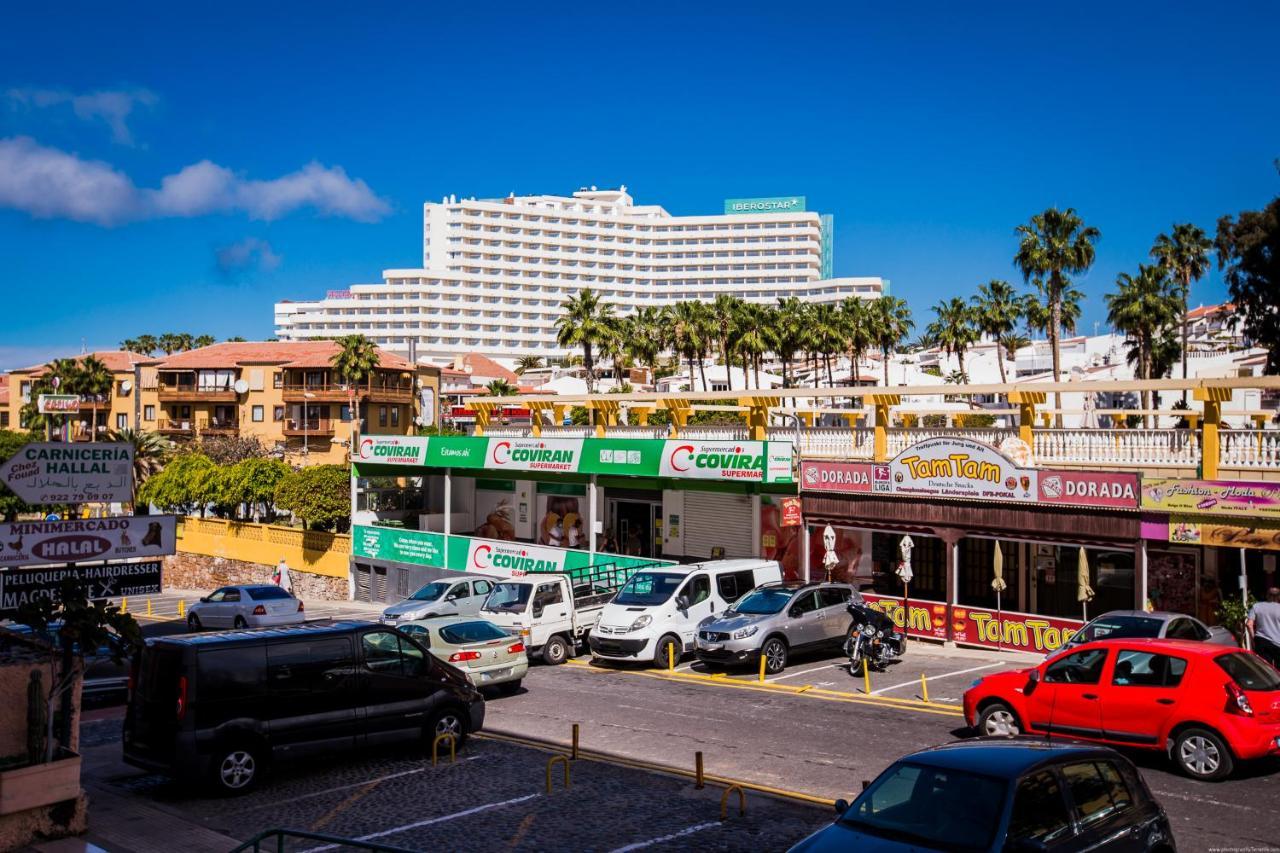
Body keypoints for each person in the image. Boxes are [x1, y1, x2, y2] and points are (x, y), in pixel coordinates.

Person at [1247, 588, 1280, 668]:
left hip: (1261, 641)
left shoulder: (1257, 606)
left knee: (1265, 670)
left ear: (1267, 595)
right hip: (1278, 643)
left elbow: (1249, 624)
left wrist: (1253, 640)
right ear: (1279, 597)